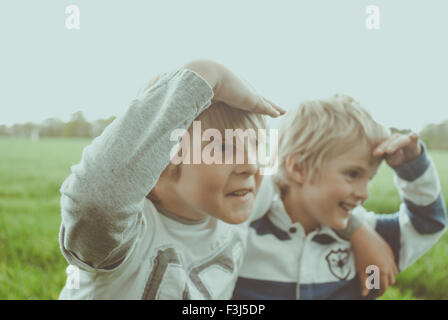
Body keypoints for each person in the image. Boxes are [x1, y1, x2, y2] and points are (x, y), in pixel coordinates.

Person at [58, 60, 395, 299]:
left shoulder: (241, 200)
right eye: (221, 148)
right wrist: (206, 74)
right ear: (158, 160)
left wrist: (359, 232)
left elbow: (298, 191)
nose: (250, 165)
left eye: (255, 147)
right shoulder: (124, 238)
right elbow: (95, 201)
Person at [232, 94, 447, 299]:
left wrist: (412, 166)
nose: (364, 194)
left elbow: (428, 224)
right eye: (353, 174)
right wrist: (355, 229)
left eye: (369, 179)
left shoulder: (373, 235)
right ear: (298, 167)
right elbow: (250, 193)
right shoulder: (243, 231)